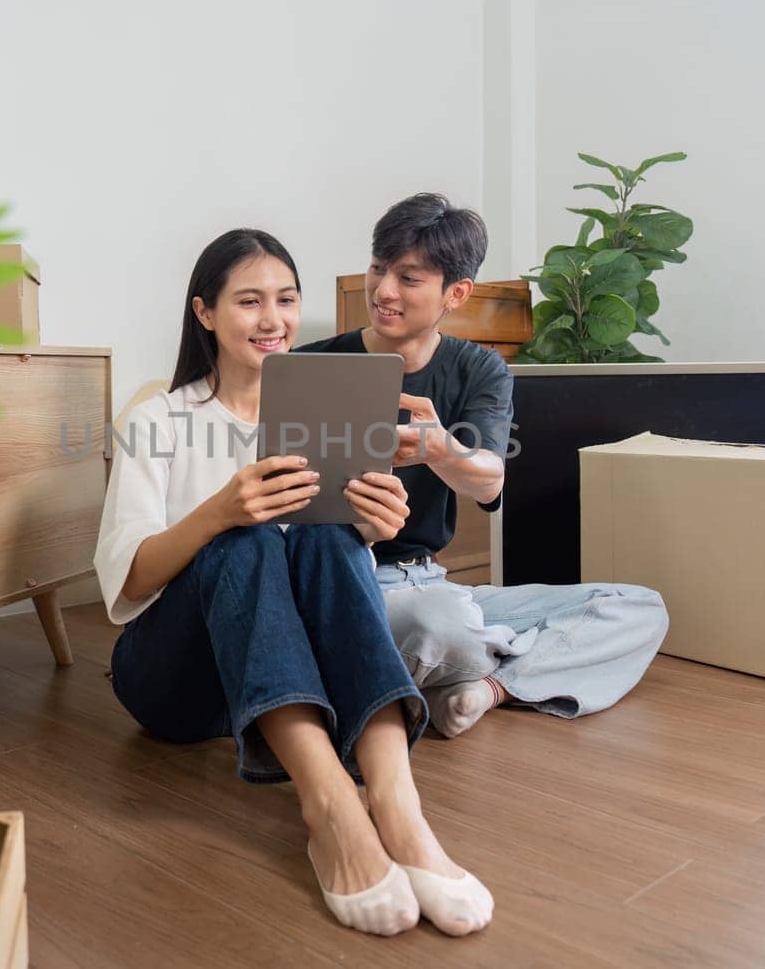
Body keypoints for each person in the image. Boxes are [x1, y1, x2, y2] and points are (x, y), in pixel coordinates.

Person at [94, 228, 493, 936]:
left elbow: (330, 581)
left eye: (285, 299)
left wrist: (374, 527)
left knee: (325, 528)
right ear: (205, 313)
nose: (272, 318)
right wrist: (219, 512)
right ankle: (331, 806)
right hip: (174, 680)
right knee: (244, 535)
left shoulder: (328, 422)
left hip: (279, 674)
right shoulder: (159, 418)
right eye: (248, 300)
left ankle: (398, 805)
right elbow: (127, 580)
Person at [298, 194, 670, 738]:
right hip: (344, 582)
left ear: (457, 293)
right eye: (378, 269)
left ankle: (488, 687)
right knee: (441, 626)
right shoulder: (312, 365)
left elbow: (489, 478)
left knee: (638, 607)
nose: (382, 291)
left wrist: (439, 448)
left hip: (430, 583)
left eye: (408, 278)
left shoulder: (479, 369)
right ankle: (479, 659)